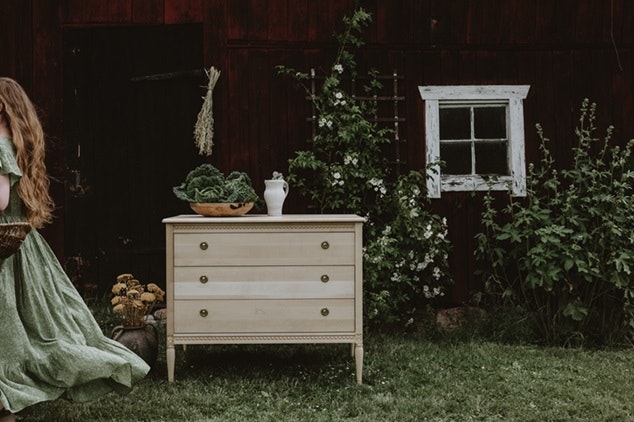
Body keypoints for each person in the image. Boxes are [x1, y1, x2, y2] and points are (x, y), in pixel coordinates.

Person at [0, 77, 150, 421]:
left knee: (10, 330)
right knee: (21, 329)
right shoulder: (15, 142)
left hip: (6, 252)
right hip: (24, 250)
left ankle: (7, 399)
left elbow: (1, 200)